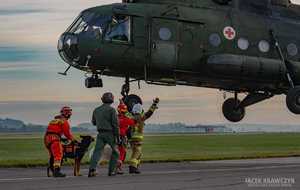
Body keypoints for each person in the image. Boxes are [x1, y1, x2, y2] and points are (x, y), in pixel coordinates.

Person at [88, 92, 120, 177]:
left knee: (97, 151)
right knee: (116, 152)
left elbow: (94, 122)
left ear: (102, 99)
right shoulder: (112, 110)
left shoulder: (96, 110)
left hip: (100, 133)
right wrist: (118, 136)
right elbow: (115, 124)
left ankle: (92, 170)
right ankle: (111, 171)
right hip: (110, 133)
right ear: (111, 99)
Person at [128, 97, 159, 174]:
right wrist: (154, 104)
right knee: (137, 152)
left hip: (131, 139)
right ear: (140, 110)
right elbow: (149, 113)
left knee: (138, 152)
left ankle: (136, 167)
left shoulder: (130, 117)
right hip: (137, 139)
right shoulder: (141, 118)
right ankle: (133, 167)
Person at [44, 106, 76, 177]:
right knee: (59, 155)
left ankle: (52, 170)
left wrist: (61, 139)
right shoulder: (64, 121)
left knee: (53, 155)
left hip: (47, 138)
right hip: (54, 138)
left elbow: (52, 130)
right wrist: (74, 140)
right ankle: (57, 171)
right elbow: (67, 134)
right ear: (67, 114)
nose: (70, 115)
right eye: (70, 114)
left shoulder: (54, 120)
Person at [116, 99, 136, 174]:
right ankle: (118, 167)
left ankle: (116, 167)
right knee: (123, 152)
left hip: (114, 136)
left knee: (116, 152)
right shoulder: (126, 119)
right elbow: (133, 122)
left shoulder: (115, 118)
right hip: (122, 137)